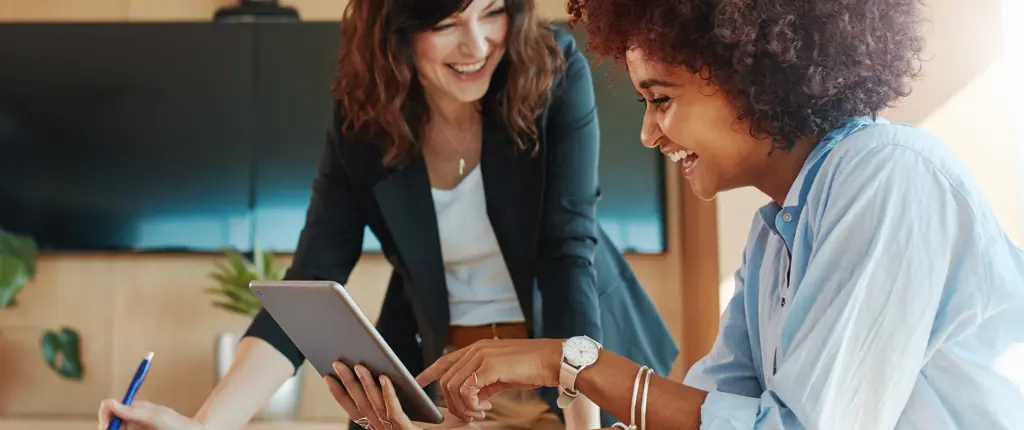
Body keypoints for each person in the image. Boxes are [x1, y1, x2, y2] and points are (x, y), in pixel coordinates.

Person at [302, 0, 1024, 428]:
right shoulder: (777, 233)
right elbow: (704, 411)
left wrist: (565, 359)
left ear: (752, 75)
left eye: (661, 98)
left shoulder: (886, 175)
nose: (649, 134)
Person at [96, 0, 679, 429]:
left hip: (569, 363)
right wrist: (203, 426)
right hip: (446, 378)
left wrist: (587, 419)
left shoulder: (551, 71)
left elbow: (566, 254)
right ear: (397, 30)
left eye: (494, 11)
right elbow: (308, 283)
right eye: (447, 23)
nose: (477, 45)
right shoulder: (365, 117)